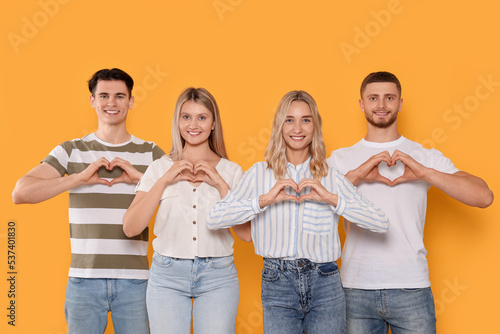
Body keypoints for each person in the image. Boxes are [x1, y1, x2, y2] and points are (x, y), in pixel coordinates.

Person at [207, 90, 389, 334]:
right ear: (280, 126)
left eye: (305, 120)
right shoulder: (260, 174)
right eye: (289, 120)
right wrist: (264, 200)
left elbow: (381, 222)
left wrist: (331, 199)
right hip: (277, 281)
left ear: (315, 126)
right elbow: (215, 218)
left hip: (326, 282)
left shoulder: (330, 177)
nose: (298, 128)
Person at [328, 71, 494, 334]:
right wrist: (358, 175)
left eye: (389, 98)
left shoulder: (424, 156)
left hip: (411, 288)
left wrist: (424, 172)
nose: (381, 105)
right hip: (354, 290)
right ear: (362, 104)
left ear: (400, 103)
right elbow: (312, 208)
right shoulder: (340, 159)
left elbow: (483, 196)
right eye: (373, 98)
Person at [12, 68, 165, 334]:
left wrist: (140, 178)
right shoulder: (71, 150)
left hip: (136, 282)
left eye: (119, 96)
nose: (111, 103)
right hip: (84, 282)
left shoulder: (150, 152)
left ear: (131, 101)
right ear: (92, 101)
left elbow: (184, 199)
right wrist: (78, 178)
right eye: (103, 95)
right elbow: (21, 192)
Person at [123, 87, 251, 334]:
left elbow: (246, 234)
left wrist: (221, 184)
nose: (194, 124)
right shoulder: (159, 168)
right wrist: (164, 181)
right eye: (186, 117)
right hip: (167, 276)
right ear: (177, 121)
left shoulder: (232, 171)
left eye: (202, 117)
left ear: (213, 123)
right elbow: (130, 227)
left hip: (218, 277)